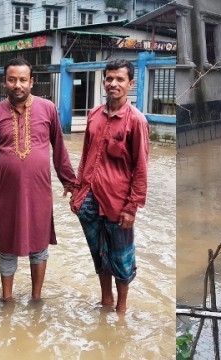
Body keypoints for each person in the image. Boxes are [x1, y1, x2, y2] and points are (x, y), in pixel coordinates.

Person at [0, 58, 76, 301]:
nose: (17, 85)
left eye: (23, 79)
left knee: (39, 246)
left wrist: (68, 181)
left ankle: (36, 298)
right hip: (6, 192)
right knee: (7, 246)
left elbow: (59, 148)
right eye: (12, 80)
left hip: (39, 191)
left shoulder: (48, 108)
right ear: (5, 82)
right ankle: (6, 298)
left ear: (32, 82)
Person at [71, 59, 150, 314]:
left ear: (130, 84)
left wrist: (132, 207)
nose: (113, 84)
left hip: (118, 203)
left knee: (121, 259)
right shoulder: (94, 114)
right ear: (104, 81)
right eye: (109, 79)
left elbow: (141, 168)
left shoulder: (136, 121)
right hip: (90, 198)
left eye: (120, 79)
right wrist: (77, 191)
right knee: (99, 255)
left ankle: (121, 308)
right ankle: (105, 300)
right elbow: (85, 155)